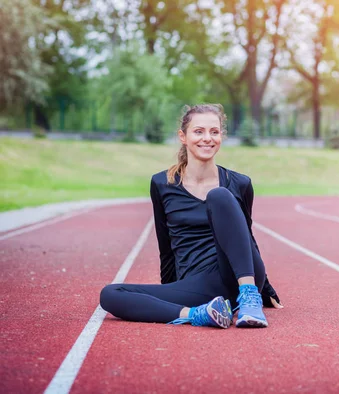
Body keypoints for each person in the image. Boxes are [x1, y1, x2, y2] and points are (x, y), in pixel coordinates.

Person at [100, 104, 282, 329]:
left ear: (221, 136)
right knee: (110, 294)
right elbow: (165, 246)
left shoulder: (240, 183)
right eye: (199, 131)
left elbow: (245, 238)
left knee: (219, 196)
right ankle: (199, 314)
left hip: (238, 275)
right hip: (198, 284)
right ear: (183, 137)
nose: (207, 138)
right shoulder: (162, 184)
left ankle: (248, 299)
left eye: (214, 132)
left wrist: (264, 289)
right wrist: (170, 290)